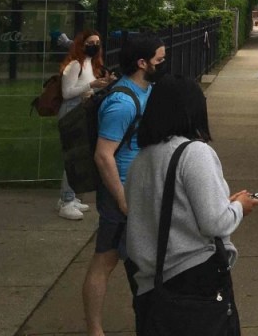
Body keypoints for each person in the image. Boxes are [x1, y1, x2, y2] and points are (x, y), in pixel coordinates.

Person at [125, 75, 258, 332]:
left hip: (151, 284)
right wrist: (240, 207)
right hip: (193, 279)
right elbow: (215, 223)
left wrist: (224, 204)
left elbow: (159, 211)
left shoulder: (140, 161)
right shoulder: (195, 153)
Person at [82, 34, 166, 336]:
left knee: (142, 261)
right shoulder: (121, 102)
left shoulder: (146, 90)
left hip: (139, 190)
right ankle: (95, 330)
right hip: (122, 192)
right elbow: (103, 156)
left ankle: (149, 320)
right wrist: (121, 200)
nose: (163, 64)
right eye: (159, 60)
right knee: (106, 260)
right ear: (142, 63)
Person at [57, 30, 114, 221]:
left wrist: (102, 84)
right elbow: (67, 92)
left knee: (79, 156)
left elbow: (89, 86)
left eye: (97, 42)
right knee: (74, 157)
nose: (95, 45)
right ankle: (66, 200)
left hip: (83, 108)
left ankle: (70, 197)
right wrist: (92, 84)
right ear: (82, 44)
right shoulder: (74, 65)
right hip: (72, 110)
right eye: (91, 42)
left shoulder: (90, 63)